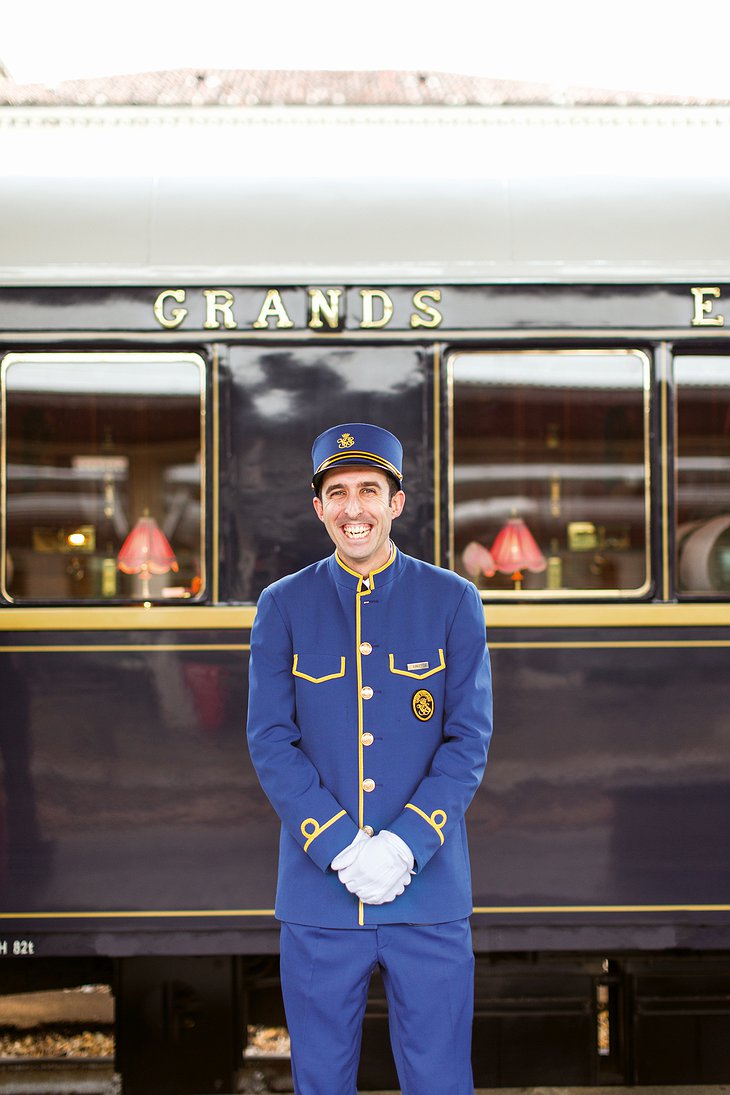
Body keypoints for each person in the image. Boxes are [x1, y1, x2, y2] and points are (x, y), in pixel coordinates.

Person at [247, 422, 493, 1095]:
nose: (354, 507)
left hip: (430, 895)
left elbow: (468, 741)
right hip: (321, 897)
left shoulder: (452, 600)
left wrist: (405, 846)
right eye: (338, 492)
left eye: (369, 489)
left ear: (396, 502)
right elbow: (270, 739)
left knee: (441, 1080)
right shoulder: (283, 605)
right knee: (321, 1082)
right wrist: (341, 848)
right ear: (319, 507)